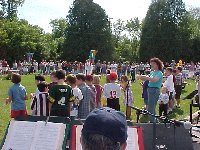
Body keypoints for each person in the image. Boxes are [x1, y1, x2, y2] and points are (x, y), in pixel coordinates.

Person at [138, 57, 163, 122]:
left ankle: (153, 121)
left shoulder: (159, 73)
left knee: (151, 107)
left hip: (154, 90)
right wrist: (140, 77)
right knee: (150, 107)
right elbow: (147, 78)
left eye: (153, 64)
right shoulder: (152, 72)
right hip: (150, 90)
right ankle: (154, 121)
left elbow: (154, 80)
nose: (151, 65)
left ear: (157, 64)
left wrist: (146, 77)